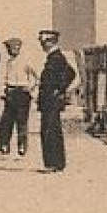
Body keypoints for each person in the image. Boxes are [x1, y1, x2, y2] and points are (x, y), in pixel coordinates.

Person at [36, 29, 78, 172]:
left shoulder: (56, 57)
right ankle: (57, 163)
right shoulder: (54, 57)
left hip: (51, 100)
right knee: (52, 130)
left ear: (50, 42)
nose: (41, 44)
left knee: (50, 131)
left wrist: (59, 90)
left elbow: (70, 74)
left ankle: (53, 163)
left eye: (43, 41)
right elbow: (70, 73)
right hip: (50, 100)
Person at [0, 37, 38, 157]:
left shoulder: (26, 61)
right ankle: (4, 145)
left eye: (11, 48)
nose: (10, 51)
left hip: (22, 92)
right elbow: (4, 78)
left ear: (18, 48)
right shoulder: (8, 62)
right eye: (8, 49)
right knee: (6, 121)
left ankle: (22, 146)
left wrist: (30, 87)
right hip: (10, 92)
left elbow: (36, 76)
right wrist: (3, 91)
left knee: (22, 121)